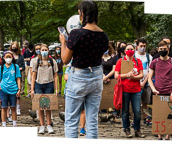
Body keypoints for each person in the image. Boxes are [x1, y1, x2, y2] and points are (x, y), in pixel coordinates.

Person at [59, 0, 108, 139]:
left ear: (82, 13)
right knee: (92, 121)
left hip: (79, 77)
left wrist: (64, 42)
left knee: (71, 121)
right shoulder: (103, 35)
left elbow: (65, 60)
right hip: (96, 75)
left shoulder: (76, 33)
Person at [146, 40, 172, 140]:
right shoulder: (154, 62)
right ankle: (160, 135)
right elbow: (149, 77)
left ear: (168, 49)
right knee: (158, 115)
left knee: (169, 114)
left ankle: (168, 136)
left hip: (169, 91)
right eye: (161, 49)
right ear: (158, 50)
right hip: (157, 92)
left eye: (164, 49)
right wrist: (153, 89)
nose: (163, 51)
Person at [114, 45, 146, 138]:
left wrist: (133, 77)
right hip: (124, 90)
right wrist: (126, 75)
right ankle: (126, 129)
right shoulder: (120, 61)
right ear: (125, 51)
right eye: (128, 49)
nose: (130, 50)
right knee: (125, 111)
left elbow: (141, 75)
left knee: (137, 111)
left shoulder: (137, 61)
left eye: (131, 49)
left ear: (134, 50)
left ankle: (137, 129)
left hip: (136, 90)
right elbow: (116, 75)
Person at [30, 44, 59, 133]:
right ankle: (42, 125)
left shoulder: (52, 61)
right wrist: (32, 89)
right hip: (39, 84)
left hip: (49, 84)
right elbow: (33, 75)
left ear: (48, 50)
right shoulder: (36, 61)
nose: (44, 51)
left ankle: (49, 124)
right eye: (42, 50)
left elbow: (55, 76)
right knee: (40, 106)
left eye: (45, 50)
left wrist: (57, 88)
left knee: (48, 106)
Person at [0, 51, 22, 127]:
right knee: (4, 107)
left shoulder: (15, 67)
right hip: (3, 89)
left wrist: (19, 89)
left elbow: (18, 79)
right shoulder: (2, 67)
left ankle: (14, 123)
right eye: (6, 57)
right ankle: (3, 124)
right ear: (4, 58)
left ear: (12, 57)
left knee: (13, 107)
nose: (8, 59)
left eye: (10, 57)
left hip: (13, 89)